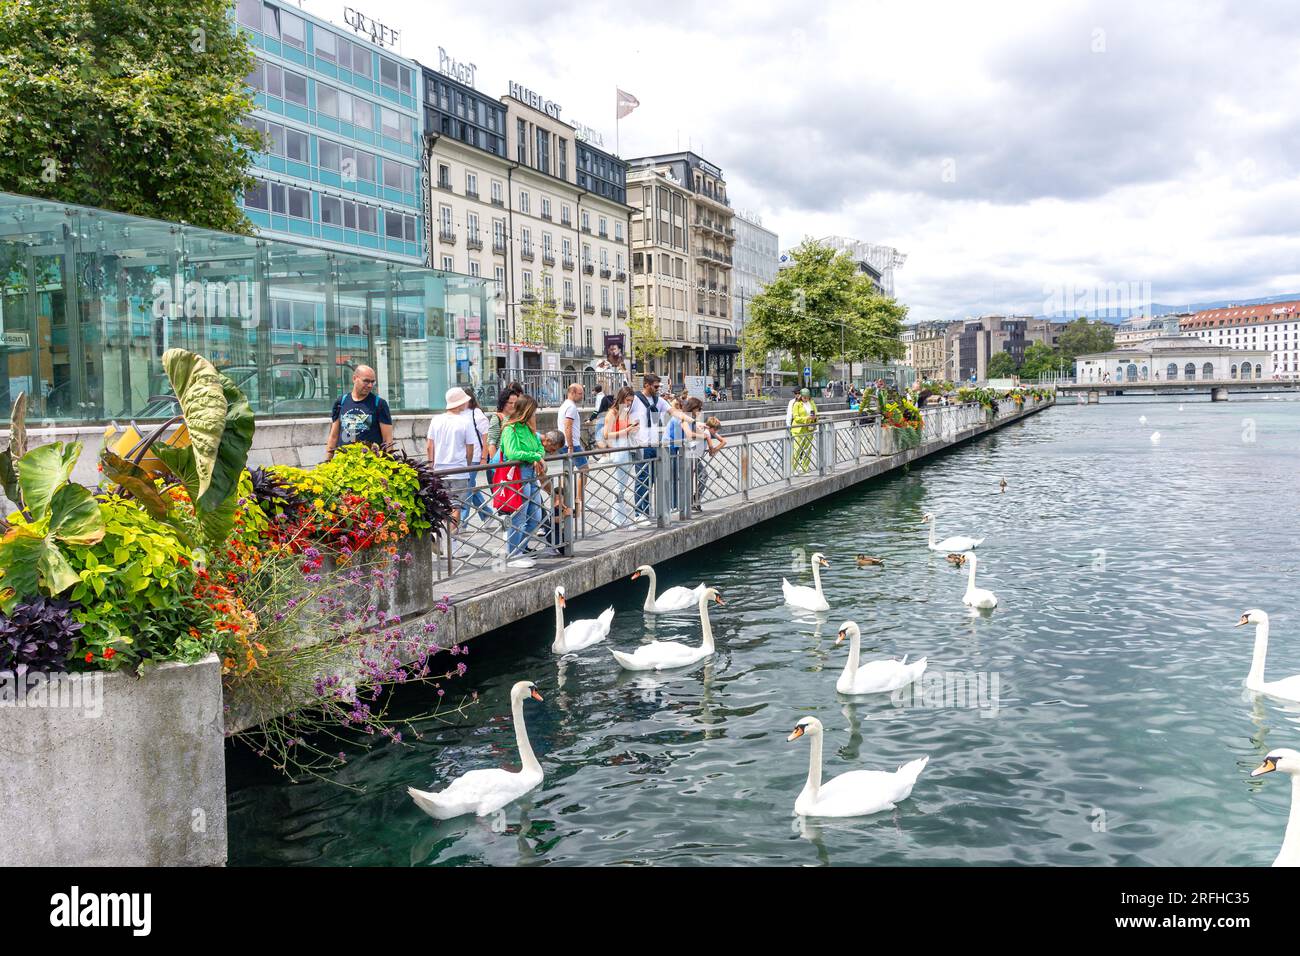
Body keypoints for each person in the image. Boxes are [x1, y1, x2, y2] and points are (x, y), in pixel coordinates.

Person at [629, 373, 693, 522]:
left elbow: (674, 412)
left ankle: (647, 509)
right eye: (656, 386)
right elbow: (621, 413)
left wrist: (694, 421)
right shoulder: (636, 399)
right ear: (646, 385)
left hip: (654, 444)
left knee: (651, 479)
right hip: (640, 445)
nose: (658, 389)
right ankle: (639, 513)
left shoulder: (659, 401)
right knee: (642, 479)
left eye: (659, 386)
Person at [499, 394, 547, 566]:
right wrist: (534, 456)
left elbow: (540, 446)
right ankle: (513, 554)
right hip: (518, 475)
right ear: (526, 410)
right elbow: (512, 453)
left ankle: (520, 549)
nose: (534, 414)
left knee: (536, 516)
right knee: (519, 517)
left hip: (530, 475)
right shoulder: (509, 429)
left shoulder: (527, 428)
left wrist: (538, 456)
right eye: (532, 411)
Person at [426, 387, 475, 528]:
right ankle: (451, 542)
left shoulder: (436, 420)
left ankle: (442, 538)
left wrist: (431, 467)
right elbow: (469, 448)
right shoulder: (466, 422)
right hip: (459, 471)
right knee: (456, 508)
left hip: (439, 471)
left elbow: (430, 446)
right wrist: (468, 464)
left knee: (441, 507)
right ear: (459, 403)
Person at [326, 365, 392, 459]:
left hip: (371, 465)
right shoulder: (341, 402)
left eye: (372, 382)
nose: (370, 385)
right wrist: (327, 462)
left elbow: (387, 440)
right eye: (366, 381)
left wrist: (389, 465)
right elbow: (333, 436)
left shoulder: (379, 404)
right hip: (345, 463)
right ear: (354, 379)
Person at [602, 385, 638, 526]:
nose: (629, 403)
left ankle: (620, 518)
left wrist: (632, 427)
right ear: (622, 398)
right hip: (619, 448)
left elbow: (624, 428)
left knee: (622, 485)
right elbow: (606, 434)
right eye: (628, 400)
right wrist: (627, 430)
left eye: (631, 401)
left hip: (625, 448)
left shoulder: (623, 411)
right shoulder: (613, 412)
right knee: (619, 486)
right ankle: (617, 520)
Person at [459, 393, 492, 526]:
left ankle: (462, 520)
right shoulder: (460, 413)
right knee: (469, 486)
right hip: (462, 456)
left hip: (475, 455)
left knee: (467, 487)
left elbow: (486, 437)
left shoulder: (476, 414)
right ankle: (487, 514)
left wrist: (484, 457)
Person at [557, 383, 589, 512]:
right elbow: (568, 426)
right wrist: (570, 445)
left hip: (565, 443)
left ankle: (563, 500)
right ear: (572, 393)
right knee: (584, 469)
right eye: (580, 393)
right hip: (572, 444)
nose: (582, 396)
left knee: (567, 473)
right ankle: (579, 500)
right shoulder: (571, 407)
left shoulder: (564, 405)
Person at [486, 386, 521, 460]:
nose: (513, 406)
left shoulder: (518, 417)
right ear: (503, 403)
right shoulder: (497, 418)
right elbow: (491, 443)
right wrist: (497, 466)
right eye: (510, 403)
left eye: (516, 403)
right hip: (501, 462)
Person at [792, 388, 818, 473]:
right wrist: (807, 418)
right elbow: (796, 417)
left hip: (809, 429)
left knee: (808, 449)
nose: (806, 398)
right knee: (797, 449)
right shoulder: (797, 404)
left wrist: (814, 418)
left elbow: (816, 413)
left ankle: (805, 468)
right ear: (801, 396)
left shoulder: (812, 403)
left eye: (807, 397)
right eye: (804, 397)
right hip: (798, 429)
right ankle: (793, 469)